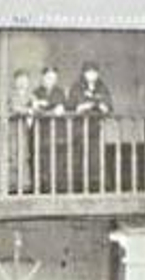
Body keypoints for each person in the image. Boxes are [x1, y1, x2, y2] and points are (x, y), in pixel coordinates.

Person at [68, 62, 113, 192]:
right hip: (79, 128)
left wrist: (101, 106)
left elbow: (109, 106)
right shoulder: (76, 87)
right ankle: (79, 187)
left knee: (96, 158)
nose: (91, 75)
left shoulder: (102, 87)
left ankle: (96, 185)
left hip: (96, 128)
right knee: (79, 157)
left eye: (94, 72)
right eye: (88, 72)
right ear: (83, 73)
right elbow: (70, 106)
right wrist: (83, 106)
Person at [30, 66, 68, 194]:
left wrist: (48, 107)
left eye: (53, 78)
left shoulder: (60, 92)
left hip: (57, 133)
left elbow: (61, 107)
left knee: (57, 161)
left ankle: (57, 188)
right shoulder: (36, 92)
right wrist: (46, 107)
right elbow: (35, 108)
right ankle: (42, 188)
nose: (50, 80)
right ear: (42, 78)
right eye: (47, 77)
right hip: (41, 132)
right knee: (42, 161)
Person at [8, 69, 34, 194]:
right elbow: (14, 107)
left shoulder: (31, 96)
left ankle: (24, 186)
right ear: (15, 81)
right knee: (12, 157)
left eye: (25, 80)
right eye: (19, 80)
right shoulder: (10, 95)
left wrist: (33, 108)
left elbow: (36, 108)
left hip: (24, 131)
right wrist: (27, 110)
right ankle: (11, 187)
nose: (22, 83)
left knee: (24, 157)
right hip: (11, 131)